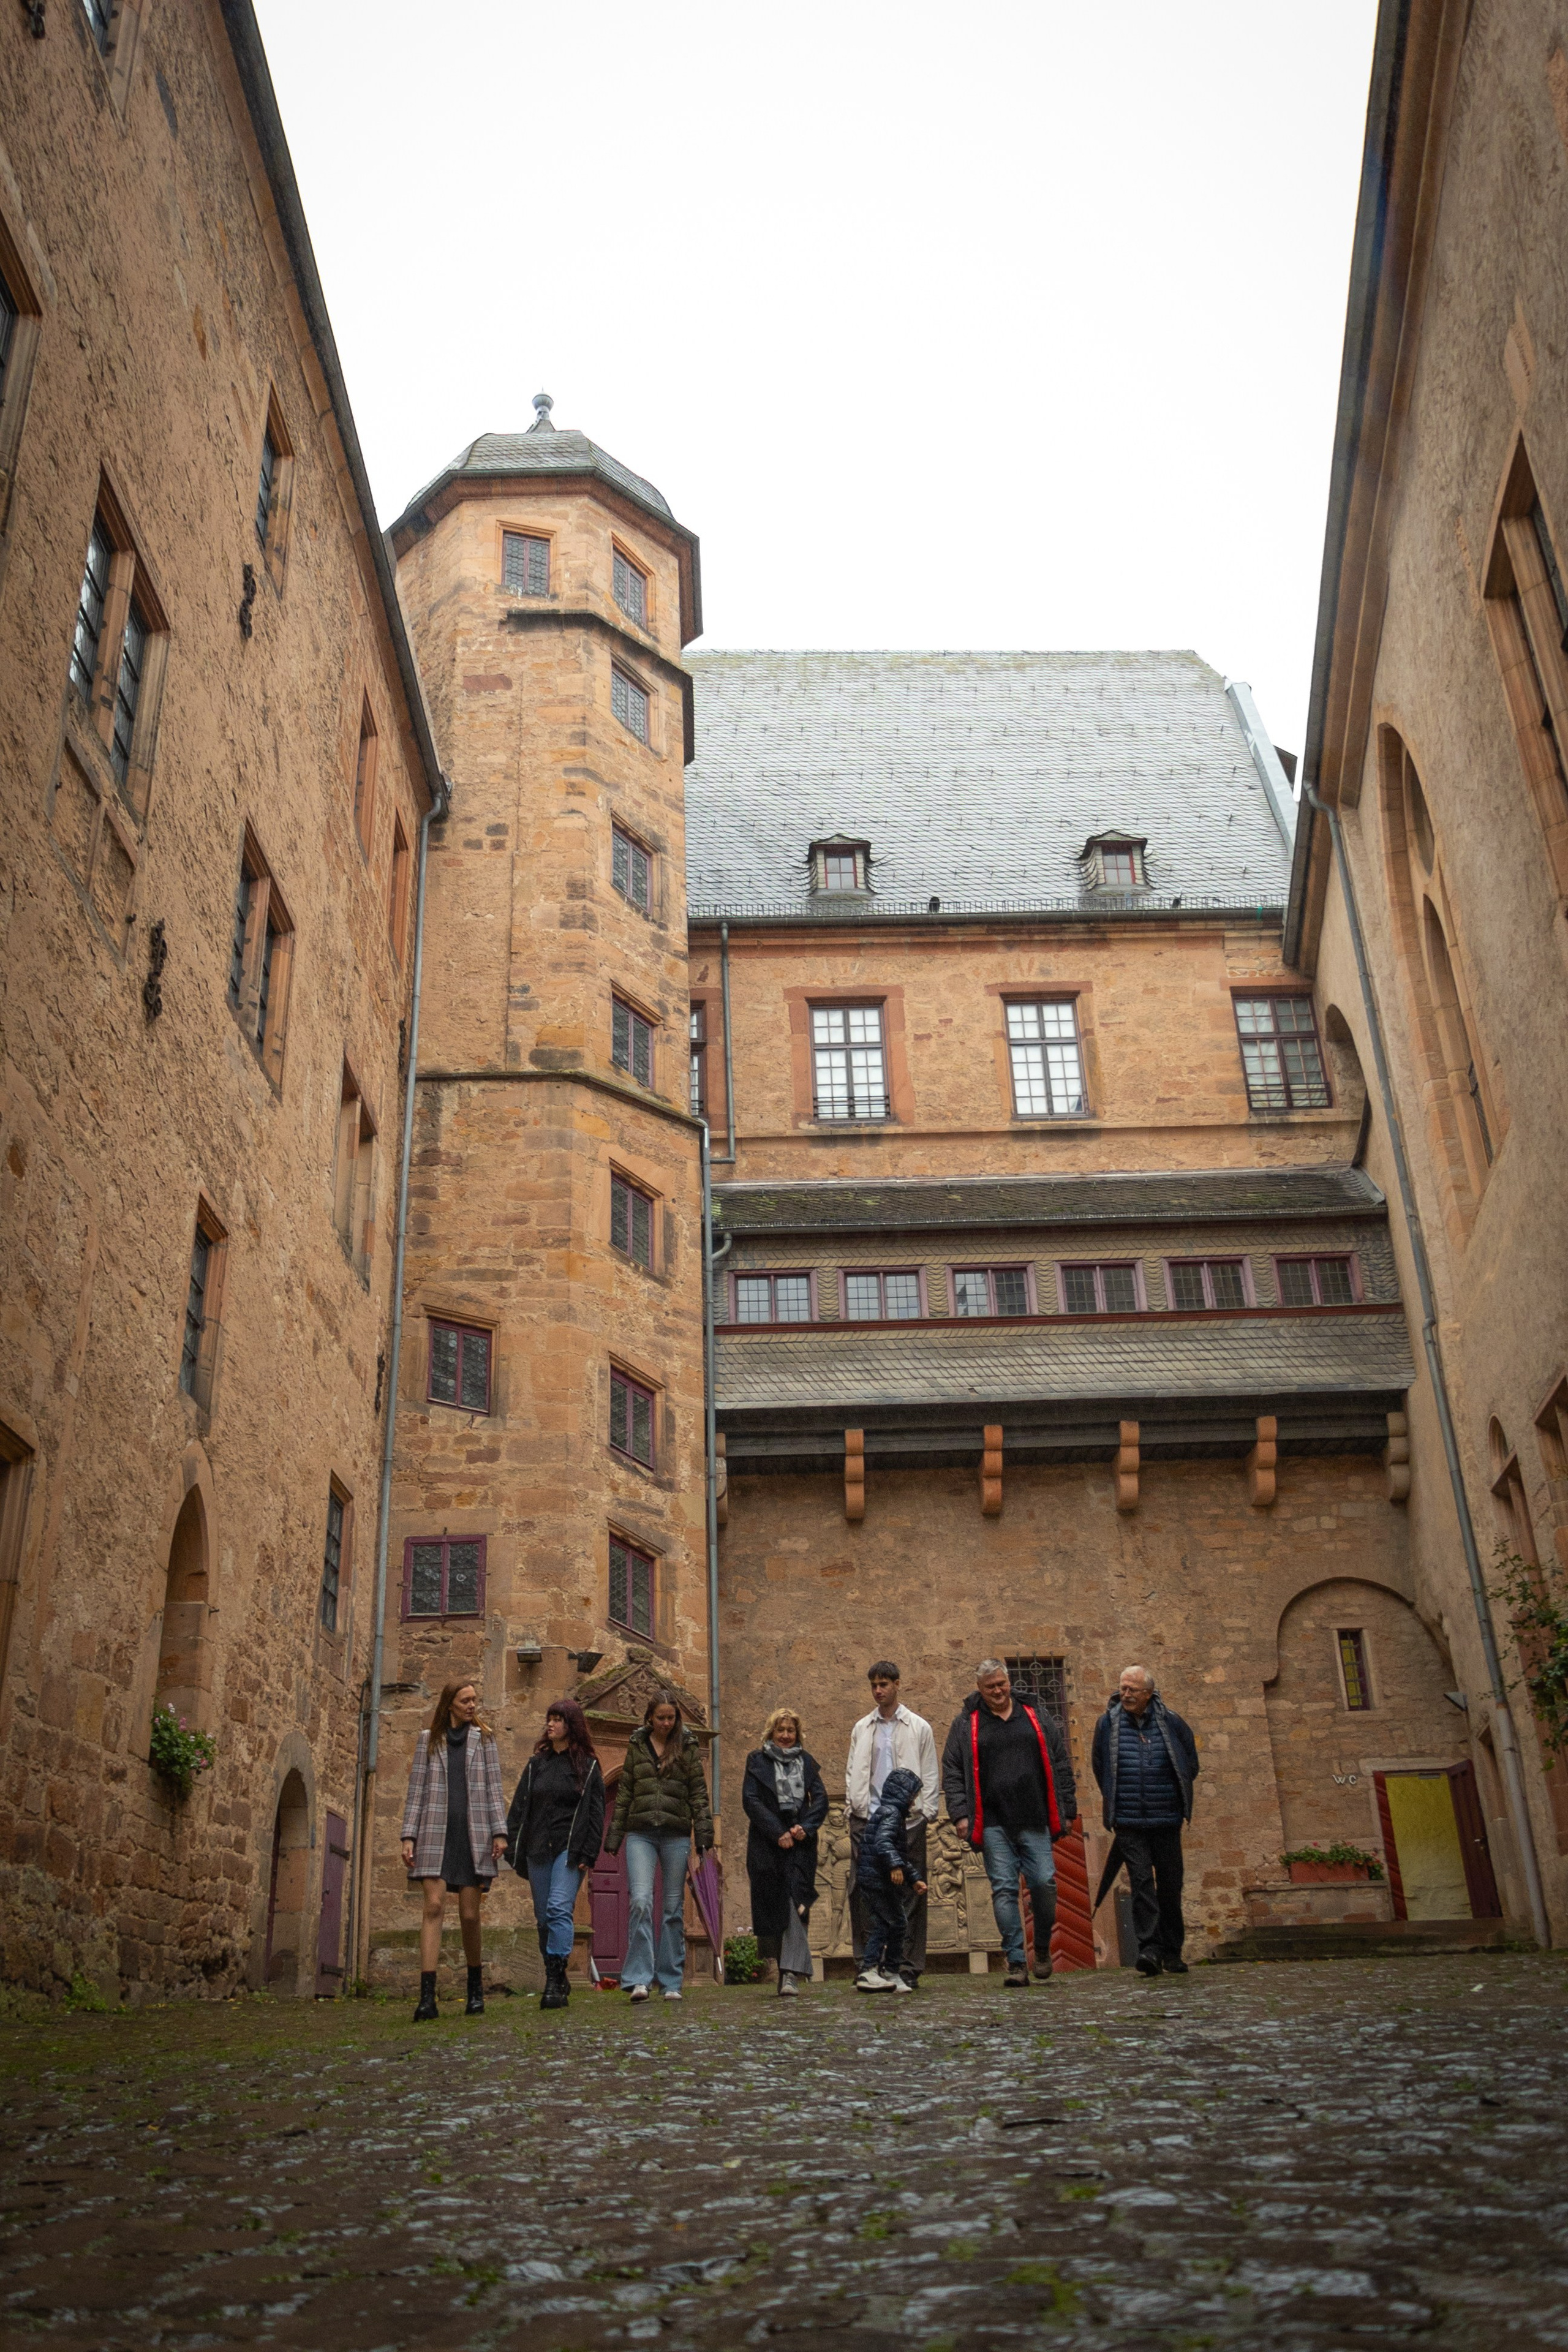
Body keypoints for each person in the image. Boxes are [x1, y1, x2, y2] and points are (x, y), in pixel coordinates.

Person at [942, 1658, 1077, 1989]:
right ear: (980, 1689)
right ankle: (1016, 1961)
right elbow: (953, 1770)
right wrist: (960, 1814)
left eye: (1002, 1684)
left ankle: (1042, 1947)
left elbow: (1060, 1761)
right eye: (991, 1687)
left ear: (1009, 1681)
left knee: (1044, 1882)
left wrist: (1068, 1807)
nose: (999, 1691)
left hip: (1034, 1816)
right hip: (992, 1822)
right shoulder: (966, 1724)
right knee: (1003, 1889)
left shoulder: (1036, 1715)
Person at [399, 1679, 507, 2021]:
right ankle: (427, 1999)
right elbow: (416, 1791)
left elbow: (494, 1789)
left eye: (475, 1699)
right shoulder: (428, 1742)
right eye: (466, 1700)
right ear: (451, 1705)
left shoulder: (485, 1740)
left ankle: (475, 1989)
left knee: (470, 1915)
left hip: (473, 1836)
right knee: (432, 1907)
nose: (472, 1705)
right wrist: (408, 1836)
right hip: (434, 1834)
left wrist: (499, 1833)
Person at [603, 1688, 714, 2002]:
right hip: (641, 1834)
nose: (666, 1723)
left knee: (672, 1908)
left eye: (671, 1718)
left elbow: (698, 1794)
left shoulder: (688, 1746)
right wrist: (614, 1837)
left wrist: (705, 1839)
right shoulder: (637, 1745)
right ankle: (639, 1978)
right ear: (650, 1717)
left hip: (676, 1835)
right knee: (640, 1900)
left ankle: (670, 1980)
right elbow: (625, 1792)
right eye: (661, 1718)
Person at [1091, 1665, 1200, 1977]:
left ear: (1148, 1694)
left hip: (1166, 1819)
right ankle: (1150, 1950)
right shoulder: (1107, 1725)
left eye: (1132, 1690)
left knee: (1170, 1886)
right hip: (1129, 1820)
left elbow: (1189, 1764)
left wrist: (1171, 1797)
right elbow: (1101, 1767)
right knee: (1141, 1884)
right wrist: (1116, 1800)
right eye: (1122, 1688)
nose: (1124, 1694)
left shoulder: (1172, 1722)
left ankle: (1173, 1952)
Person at [505, 1698, 605, 2011]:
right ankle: (557, 1976)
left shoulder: (588, 1768)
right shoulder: (537, 1765)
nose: (551, 1724)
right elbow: (520, 1806)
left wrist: (588, 1853)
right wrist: (509, 1842)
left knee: (559, 1908)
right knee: (543, 1918)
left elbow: (596, 1814)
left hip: (569, 1850)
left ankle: (553, 1979)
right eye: (549, 1719)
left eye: (558, 1720)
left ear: (571, 1726)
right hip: (538, 1848)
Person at [845, 1660, 940, 1988]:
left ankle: (906, 1967)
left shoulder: (918, 1727)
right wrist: (854, 1805)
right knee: (864, 1890)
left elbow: (928, 1771)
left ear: (898, 1684)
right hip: (867, 1817)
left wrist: (926, 1811)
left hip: (908, 1820)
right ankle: (867, 1964)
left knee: (909, 1891)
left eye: (884, 1684)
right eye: (873, 1685)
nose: (878, 1691)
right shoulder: (862, 1727)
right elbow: (853, 1770)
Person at [742, 1707, 828, 1997]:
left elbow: (820, 1800)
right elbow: (751, 1800)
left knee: (796, 1902)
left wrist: (805, 1827)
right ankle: (783, 1967)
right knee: (773, 1905)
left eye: (791, 1731)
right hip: (768, 1844)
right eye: (781, 1730)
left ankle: (790, 1973)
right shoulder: (756, 1761)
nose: (786, 1736)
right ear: (772, 1732)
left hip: (799, 1843)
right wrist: (777, 1832)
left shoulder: (807, 1762)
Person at [854, 1767, 927, 1992]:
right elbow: (884, 1843)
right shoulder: (891, 1814)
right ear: (903, 1796)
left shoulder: (891, 1815)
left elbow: (899, 1854)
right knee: (890, 1923)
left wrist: (913, 1878)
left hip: (878, 1880)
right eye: (912, 1798)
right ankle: (871, 1970)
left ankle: (889, 1971)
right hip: (876, 1881)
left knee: (894, 1923)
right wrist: (894, 1865)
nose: (914, 1804)